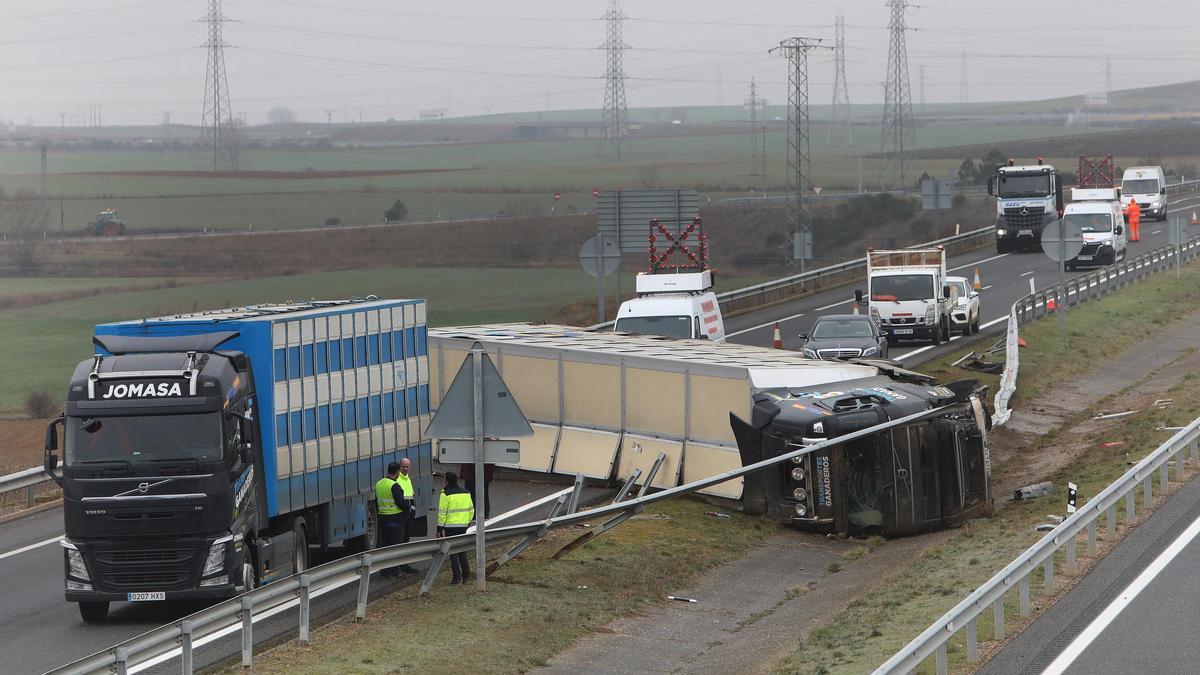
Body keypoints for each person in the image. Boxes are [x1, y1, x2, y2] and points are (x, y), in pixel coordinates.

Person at [437, 471, 475, 585]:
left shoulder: (445, 494)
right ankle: (466, 575)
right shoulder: (466, 493)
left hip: (450, 527)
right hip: (463, 526)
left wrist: (439, 529)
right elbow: (471, 510)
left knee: (453, 553)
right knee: (462, 551)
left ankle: (456, 578)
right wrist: (467, 523)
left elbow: (442, 514)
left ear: (447, 481)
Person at [375, 462, 408, 579]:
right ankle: (395, 572)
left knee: (385, 546)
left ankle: (384, 572)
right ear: (398, 472)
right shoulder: (394, 486)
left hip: (382, 518)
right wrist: (408, 508)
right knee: (395, 547)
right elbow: (400, 502)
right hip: (395, 519)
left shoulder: (379, 484)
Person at [393, 457, 418, 574]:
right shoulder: (397, 480)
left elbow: (411, 497)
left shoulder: (408, 479)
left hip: (408, 515)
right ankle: (399, 566)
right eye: (403, 466)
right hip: (401, 515)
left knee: (405, 541)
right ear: (400, 466)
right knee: (400, 542)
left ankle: (404, 564)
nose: (405, 469)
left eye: (407, 467)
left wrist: (413, 513)